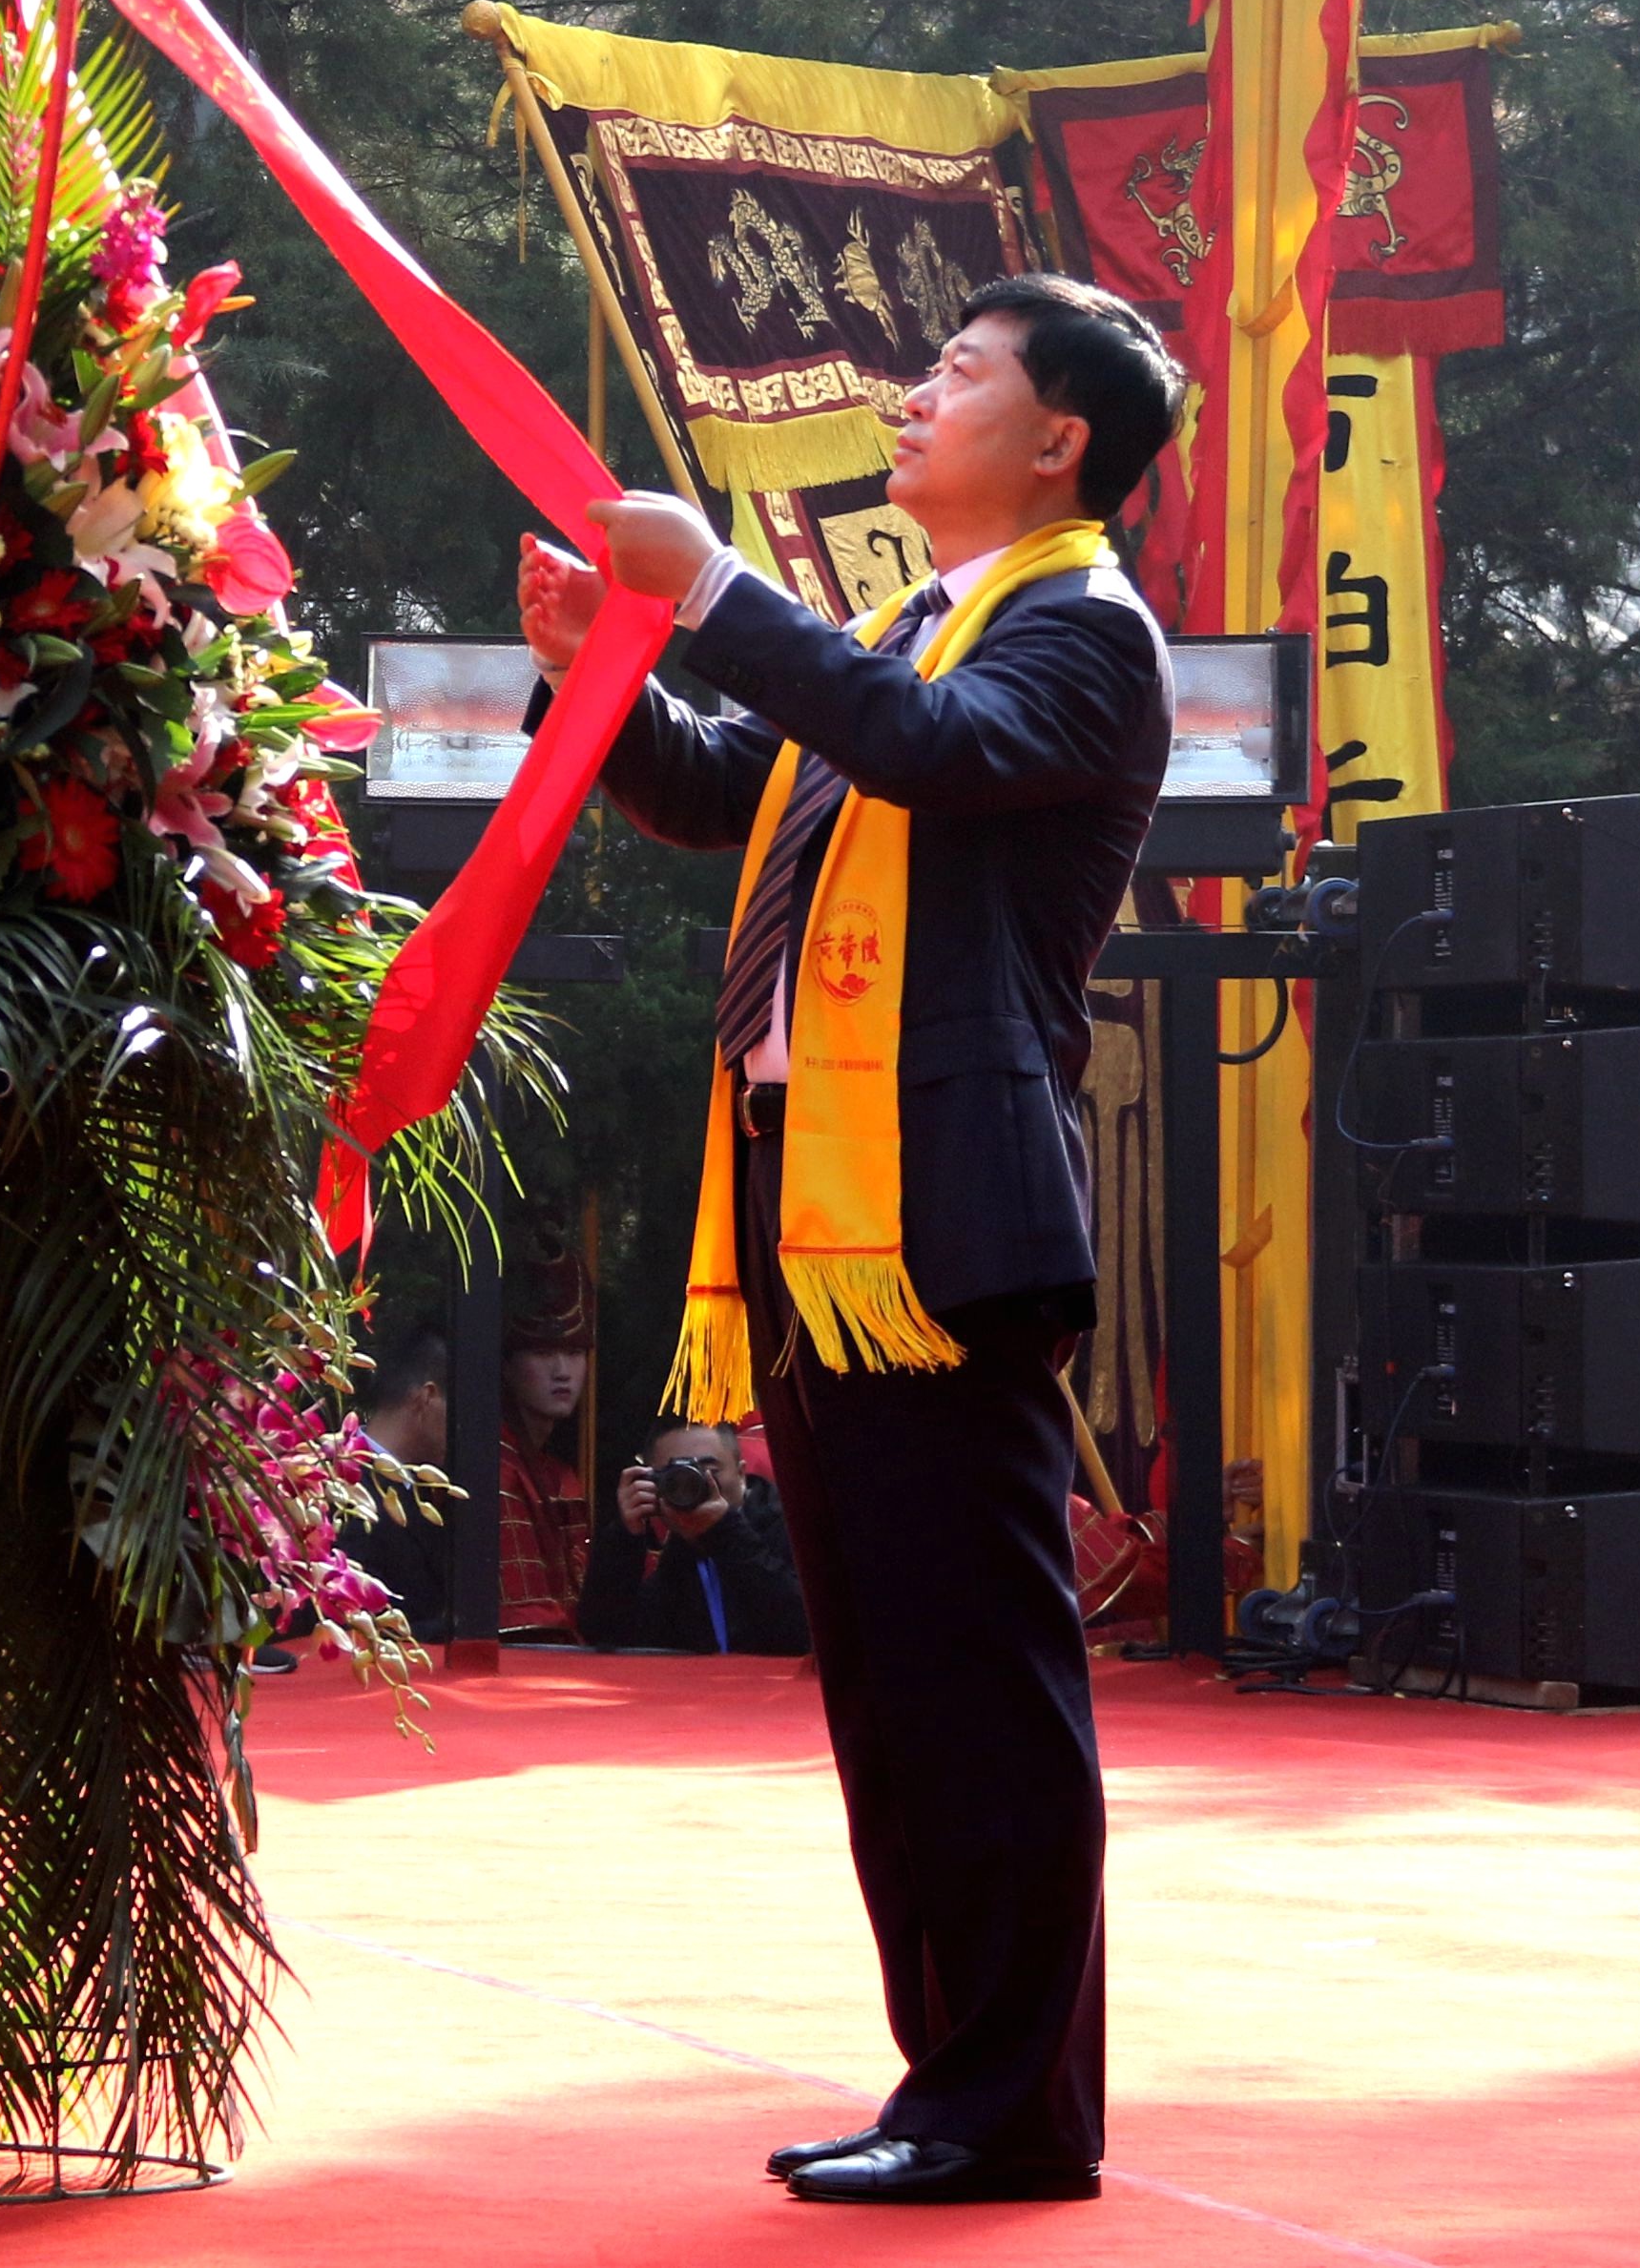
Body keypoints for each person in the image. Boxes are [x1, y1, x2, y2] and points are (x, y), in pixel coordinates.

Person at [518, 272, 1178, 2206]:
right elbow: (734, 786)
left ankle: (1015, 2103)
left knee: (977, 1670)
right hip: (815, 1214)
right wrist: (604, 673)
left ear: (1059, 438)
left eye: (957, 371)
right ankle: (946, 2080)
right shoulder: (914, 624)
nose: (913, 394)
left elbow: (929, 746)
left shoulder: (1082, 634)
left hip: (937, 1220)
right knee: (886, 1678)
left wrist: (716, 589)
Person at [577, 1417, 810, 1654]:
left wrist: (724, 1530)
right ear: (654, 1483)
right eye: (675, 1475)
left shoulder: (794, 1523)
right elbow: (604, 1634)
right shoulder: (679, 1554)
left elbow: (805, 1632)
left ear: (741, 1474)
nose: (693, 1484)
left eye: (709, 1470)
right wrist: (625, 1537)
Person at [342, 1324, 455, 1634]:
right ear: (427, 1398)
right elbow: (361, 1621)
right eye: (457, 1409)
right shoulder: (343, 1485)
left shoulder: (418, 1489)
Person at [496, 1325, 591, 1637]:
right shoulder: (498, 1468)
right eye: (543, 1353)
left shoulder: (557, 1472)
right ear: (507, 1367)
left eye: (574, 1353)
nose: (562, 1372)